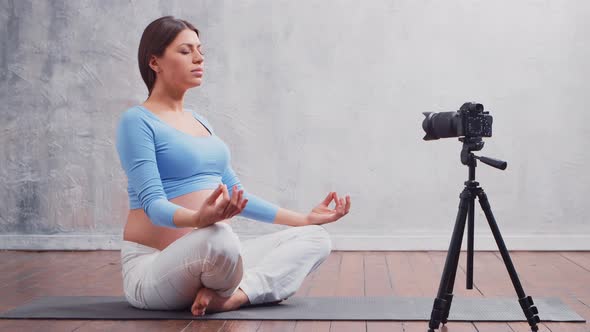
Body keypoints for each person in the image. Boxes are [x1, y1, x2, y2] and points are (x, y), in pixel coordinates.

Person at [115, 16, 351, 316]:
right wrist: (199, 219)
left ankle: (236, 295)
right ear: (155, 62)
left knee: (316, 239)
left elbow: (239, 196)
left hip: (217, 256)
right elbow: (153, 205)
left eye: (200, 50)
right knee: (220, 238)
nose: (199, 58)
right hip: (154, 268)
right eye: (185, 51)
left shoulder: (201, 122)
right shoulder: (137, 121)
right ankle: (238, 289)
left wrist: (305, 219)